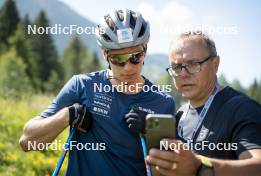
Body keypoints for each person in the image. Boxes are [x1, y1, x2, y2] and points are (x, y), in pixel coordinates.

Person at [19, 9, 175, 176]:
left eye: (135, 56)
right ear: (105, 55)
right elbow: (27, 142)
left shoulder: (163, 102)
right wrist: (67, 116)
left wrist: (154, 130)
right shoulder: (82, 85)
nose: (128, 66)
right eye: (119, 59)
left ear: (145, 49)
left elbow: (171, 170)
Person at [146, 31, 261, 176]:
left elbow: (259, 168)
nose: (183, 74)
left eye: (193, 64)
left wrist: (200, 168)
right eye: (176, 67)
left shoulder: (242, 108)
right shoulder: (179, 115)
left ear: (215, 64)